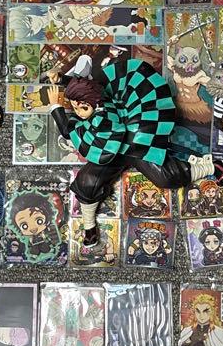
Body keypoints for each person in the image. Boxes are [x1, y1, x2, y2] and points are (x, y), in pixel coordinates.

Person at [52, 61, 213, 245]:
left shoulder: (103, 117)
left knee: (166, 177)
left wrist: (56, 108)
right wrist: (62, 79)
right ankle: (89, 226)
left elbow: (68, 130)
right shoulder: (95, 104)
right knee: (87, 181)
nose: (79, 113)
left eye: (84, 108)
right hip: (113, 152)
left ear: (96, 103)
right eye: (75, 107)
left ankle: (210, 167)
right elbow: (90, 87)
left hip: (135, 142)